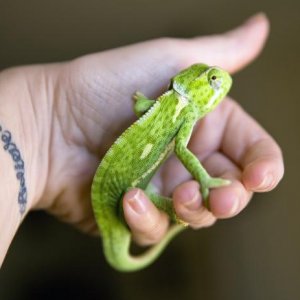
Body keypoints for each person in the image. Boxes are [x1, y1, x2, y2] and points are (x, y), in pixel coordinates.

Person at [0, 13, 284, 266]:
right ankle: (175, 210)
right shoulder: (183, 113)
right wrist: (204, 179)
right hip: (117, 187)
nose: (217, 86)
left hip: (121, 188)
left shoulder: (173, 105)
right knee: (158, 202)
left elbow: (140, 109)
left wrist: (43, 129)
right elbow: (182, 151)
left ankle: (175, 211)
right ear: (191, 85)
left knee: (151, 202)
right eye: (211, 81)